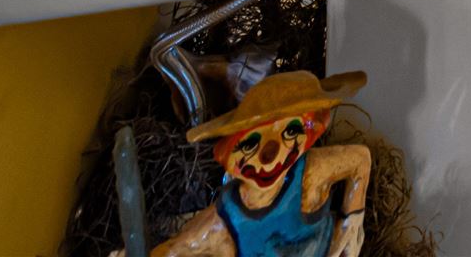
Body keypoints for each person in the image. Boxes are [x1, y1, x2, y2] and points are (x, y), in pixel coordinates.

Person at [148, 70, 372, 257]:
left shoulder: (309, 175)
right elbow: (174, 250)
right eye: (250, 144)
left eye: (290, 132)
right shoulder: (226, 221)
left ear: (311, 131)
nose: (270, 155)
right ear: (227, 155)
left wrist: (351, 220)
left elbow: (359, 159)